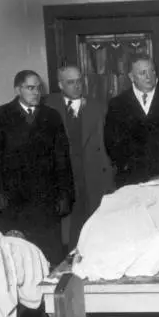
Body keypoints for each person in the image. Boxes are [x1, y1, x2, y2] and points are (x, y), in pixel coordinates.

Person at [0, 70, 73, 263]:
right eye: (30, 88)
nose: (36, 92)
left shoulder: (51, 116)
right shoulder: (0, 116)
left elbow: (62, 158)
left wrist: (64, 194)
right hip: (14, 199)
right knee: (20, 256)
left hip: (46, 198)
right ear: (18, 90)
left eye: (38, 88)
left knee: (50, 253)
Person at [46, 65, 114, 250]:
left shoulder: (98, 107)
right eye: (70, 82)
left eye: (79, 81)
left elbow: (107, 145)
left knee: (94, 227)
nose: (77, 86)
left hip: (92, 174)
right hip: (64, 177)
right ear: (60, 85)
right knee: (68, 230)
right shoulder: (48, 107)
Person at [104, 54, 159, 188]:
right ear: (131, 77)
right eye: (143, 73)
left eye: (152, 71)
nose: (149, 77)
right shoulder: (117, 104)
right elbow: (111, 145)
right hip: (132, 180)